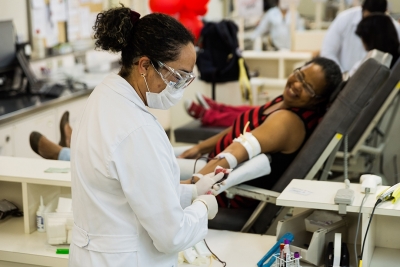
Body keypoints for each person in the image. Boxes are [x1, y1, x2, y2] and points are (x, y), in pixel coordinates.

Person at [66, 6, 225, 267]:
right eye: (177, 77)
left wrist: (192, 191)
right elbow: (171, 236)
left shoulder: (104, 96)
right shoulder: (136, 130)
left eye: (187, 78)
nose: (180, 88)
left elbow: (130, 193)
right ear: (144, 65)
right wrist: (203, 207)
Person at [178, 58, 343, 211]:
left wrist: (193, 183)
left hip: (225, 189)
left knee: (156, 167)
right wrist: (199, 148)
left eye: (308, 88)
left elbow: (238, 150)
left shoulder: (287, 121)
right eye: (299, 75)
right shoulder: (285, 101)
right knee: (161, 158)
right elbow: (242, 127)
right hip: (214, 164)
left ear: (318, 101)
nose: (298, 84)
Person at [320, 0, 400, 73]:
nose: (371, 23)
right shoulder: (344, 19)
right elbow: (327, 52)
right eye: (368, 18)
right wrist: (342, 76)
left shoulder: (394, 28)